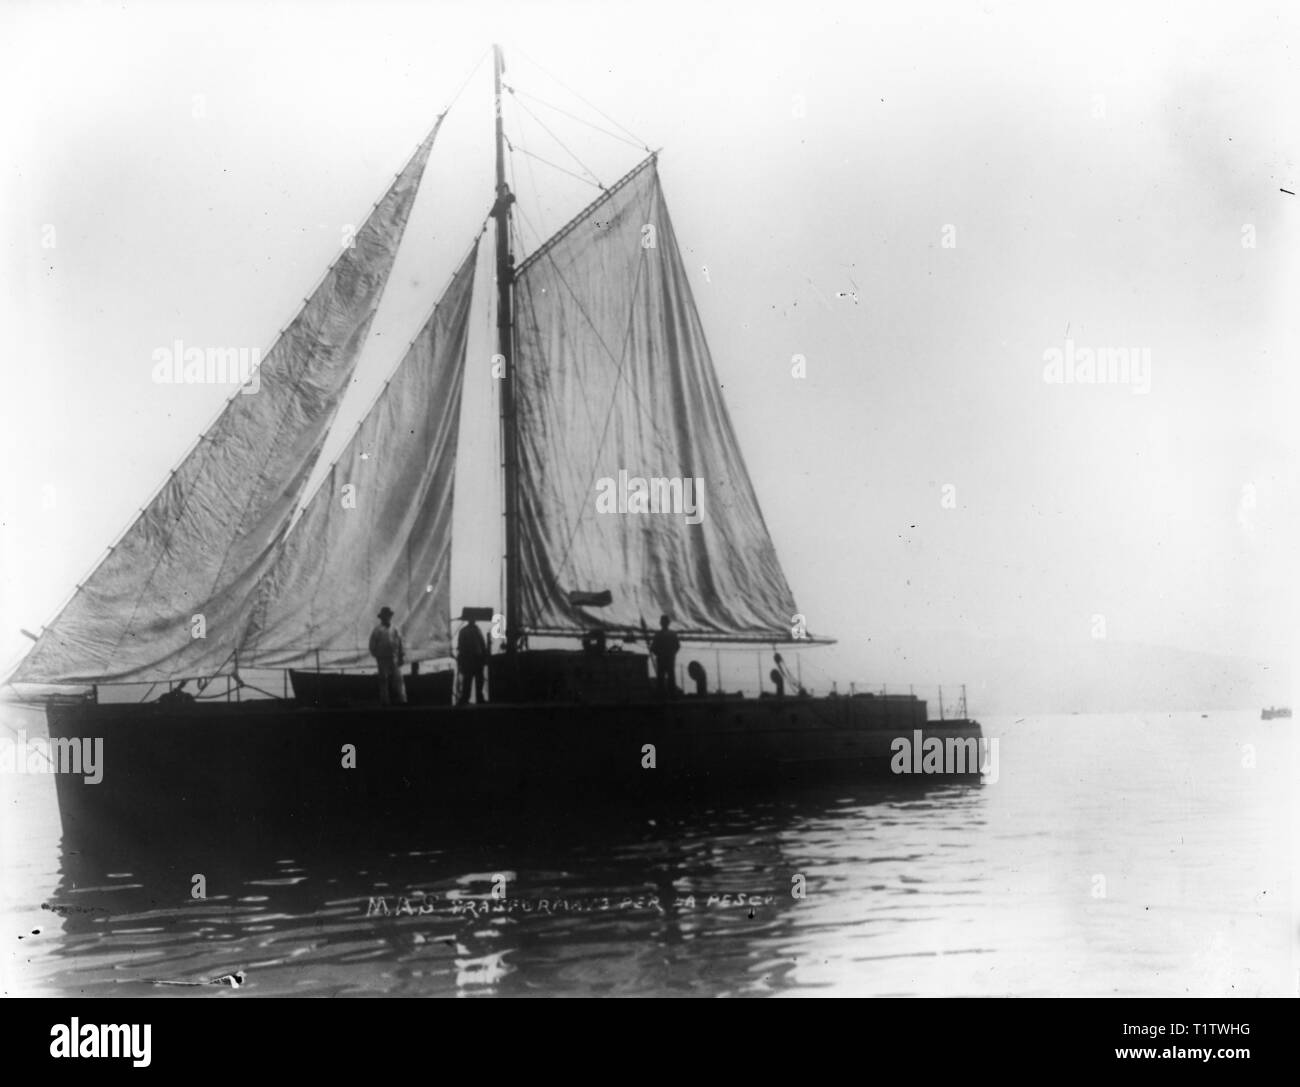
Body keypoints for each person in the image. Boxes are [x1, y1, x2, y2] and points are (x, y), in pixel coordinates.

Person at [369, 606, 406, 707]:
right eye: (385, 615)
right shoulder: (377, 630)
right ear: (381, 617)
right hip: (382, 659)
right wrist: (377, 656)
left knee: (398, 679)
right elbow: (372, 645)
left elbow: (400, 643)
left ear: (390, 616)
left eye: (388, 615)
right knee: (383, 679)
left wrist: (401, 656)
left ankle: (402, 700)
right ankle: (385, 702)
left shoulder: (395, 629)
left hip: (394, 658)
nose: (387, 617)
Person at [456, 617, 488, 705]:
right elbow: (482, 644)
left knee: (469, 680)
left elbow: (461, 646)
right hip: (474, 658)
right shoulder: (476, 630)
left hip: (471, 658)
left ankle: (466, 699)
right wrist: (484, 655)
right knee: (475, 680)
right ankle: (477, 699)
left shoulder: (465, 631)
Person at [650, 614, 681, 698]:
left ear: (661, 623)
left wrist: (659, 653)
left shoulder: (658, 634)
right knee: (669, 677)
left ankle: (663, 695)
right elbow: (677, 646)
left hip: (663, 658)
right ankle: (671, 694)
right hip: (668, 658)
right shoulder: (672, 634)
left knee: (663, 676)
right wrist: (671, 653)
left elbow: (653, 648)